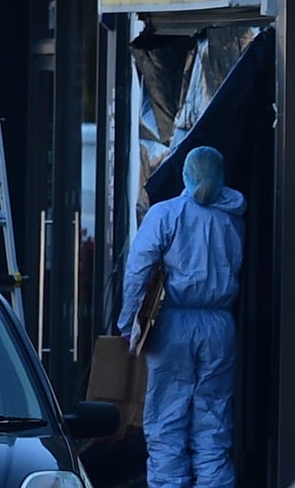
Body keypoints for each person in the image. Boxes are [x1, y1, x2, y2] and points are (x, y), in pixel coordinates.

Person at [117, 146, 245, 488]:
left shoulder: (166, 214)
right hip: (220, 325)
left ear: (185, 175)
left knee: (167, 418)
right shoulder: (233, 218)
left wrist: (130, 323)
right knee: (214, 420)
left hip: (172, 324)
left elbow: (138, 271)